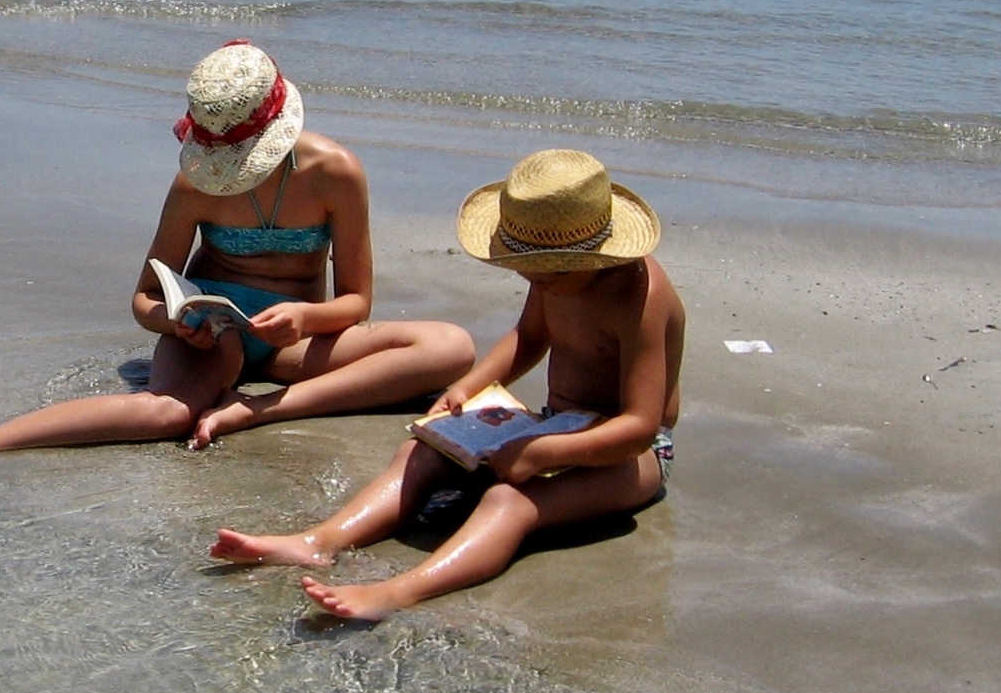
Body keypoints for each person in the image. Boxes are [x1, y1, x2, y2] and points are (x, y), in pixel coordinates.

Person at [0, 42, 475, 480]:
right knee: (166, 416)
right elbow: (145, 297)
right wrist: (174, 323)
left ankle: (258, 409)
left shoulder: (336, 173)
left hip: (295, 337)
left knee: (450, 348)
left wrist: (306, 319)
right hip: (211, 330)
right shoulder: (195, 185)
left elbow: (356, 300)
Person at [209, 148, 685, 621]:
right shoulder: (557, 278)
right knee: (421, 452)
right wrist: (470, 387)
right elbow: (529, 338)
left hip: (629, 453)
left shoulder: (637, 298)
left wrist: (544, 454)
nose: (527, 279)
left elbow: (641, 425)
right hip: (558, 424)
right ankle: (320, 541)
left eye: (536, 273)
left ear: (574, 261)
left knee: (509, 501)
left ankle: (402, 590)